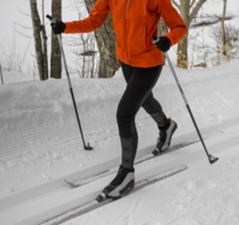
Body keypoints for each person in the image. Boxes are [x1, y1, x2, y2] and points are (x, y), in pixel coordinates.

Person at [50, 0, 187, 200]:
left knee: (124, 114)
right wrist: (66, 27)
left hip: (149, 63)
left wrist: (168, 39)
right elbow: (94, 21)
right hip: (126, 61)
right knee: (145, 99)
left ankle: (127, 173)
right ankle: (166, 126)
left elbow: (180, 27)